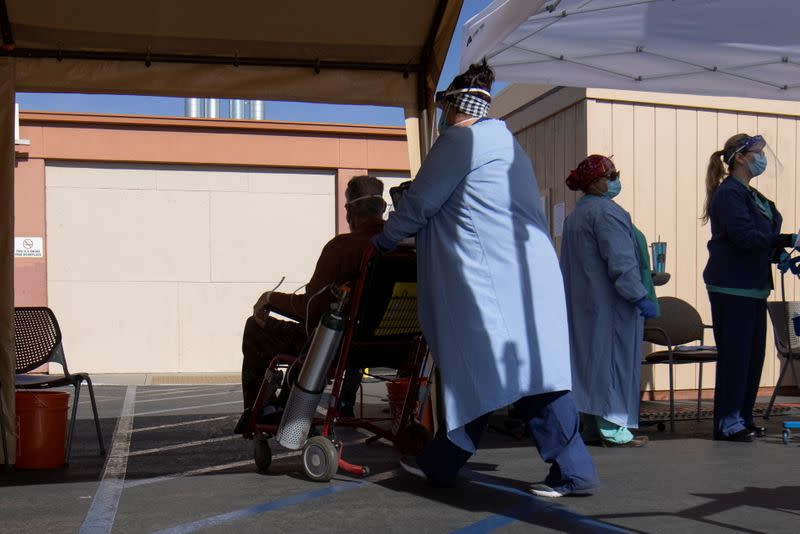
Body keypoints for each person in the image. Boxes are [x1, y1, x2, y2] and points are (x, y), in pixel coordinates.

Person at [371, 60, 599, 498]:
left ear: (454, 109)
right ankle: (445, 462)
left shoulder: (462, 141)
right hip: (530, 278)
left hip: (493, 281)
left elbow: (419, 205)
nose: (440, 122)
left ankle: (568, 470)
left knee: (490, 370)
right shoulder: (507, 143)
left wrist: (382, 241)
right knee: (521, 372)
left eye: (443, 112)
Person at [234, 175, 387, 433]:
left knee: (256, 329)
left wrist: (270, 298)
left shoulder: (342, 248)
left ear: (349, 211)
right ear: (382, 208)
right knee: (311, 342)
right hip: (389, 348)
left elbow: (311, 309)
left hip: (336, 348)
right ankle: (285, 404)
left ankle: (263, 411)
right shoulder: (404, 246)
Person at [703, 134, 798, 442]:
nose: (763, 158)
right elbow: (744, 238)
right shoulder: (729, 194)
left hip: (754, 287)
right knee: (736, 356)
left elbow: (761, 237)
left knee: (753, 356)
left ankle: (742, 416)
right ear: (741, 158)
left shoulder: (752, 195)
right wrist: (786, 240)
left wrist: (780, 254)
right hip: (732, 287)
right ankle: (727, 423)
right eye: (758, 153)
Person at [560, 155, 658, 448]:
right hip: (610, 306)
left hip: (585, 305)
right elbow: (621, 261)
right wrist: (639, 295)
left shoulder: (576, 216)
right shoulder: (606, 213)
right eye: (611, 175)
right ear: (596, 182)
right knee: (613, 366)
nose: (615, 179)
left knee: (589, 366)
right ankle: (614, 429)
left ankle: (591, 427)